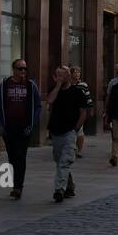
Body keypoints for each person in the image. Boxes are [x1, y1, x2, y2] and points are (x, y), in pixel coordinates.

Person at [0, 58, 41, 200]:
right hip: (8, 128)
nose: (23, 72)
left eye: (25, 69)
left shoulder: (31, 86)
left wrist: (32, 124)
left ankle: (18, 187)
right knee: (12, 156)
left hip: (24, 127)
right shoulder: (5, 85)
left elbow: (38, 106)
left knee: (21, 156)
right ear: (13, 69)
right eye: (20, 69)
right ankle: (15, 184)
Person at [45, 65, 86, 202]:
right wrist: (57, 86)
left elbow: (83, 113)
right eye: (58, 75)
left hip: (70, 131)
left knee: (64, 161)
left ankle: (59, 190)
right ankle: (69, 186)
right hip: (56, 131)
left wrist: (76, 128)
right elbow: (49, 102)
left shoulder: (77, 92)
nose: (61, 78)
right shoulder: (54, 90)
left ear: (69, 76)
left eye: (63, 75)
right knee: (59, 161)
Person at [70, 67, 92, 157]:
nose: (77, 74)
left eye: (79, 72)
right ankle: (72, 147)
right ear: (71, 74)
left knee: (79, 131)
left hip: (80, 111)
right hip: (70, 110)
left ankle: (79, 150)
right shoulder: (68, 84)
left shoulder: (83, 85)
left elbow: (88, 97)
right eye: (75, 72)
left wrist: (91, 108)